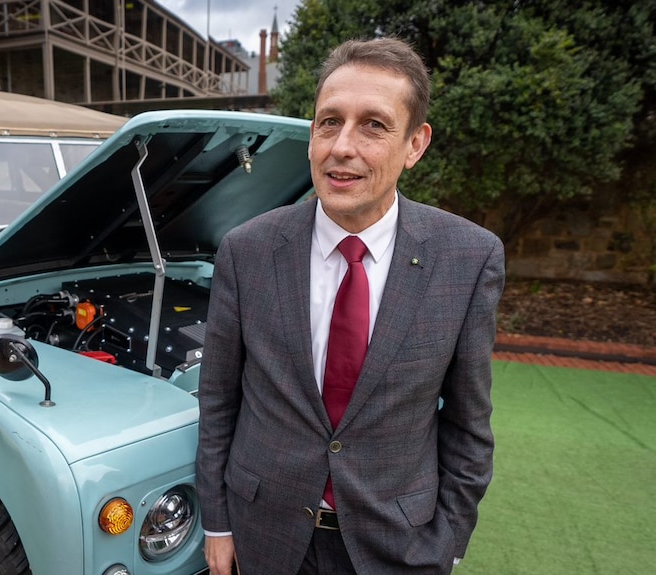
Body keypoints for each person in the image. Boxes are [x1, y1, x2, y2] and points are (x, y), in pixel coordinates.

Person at [196, 37, 505, 575]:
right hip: (262, 536)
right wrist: (218, 523)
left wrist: (448, 544)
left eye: (374, 126)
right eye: (329, 121)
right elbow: (219, 398)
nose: (342, 146)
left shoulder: (469, 258)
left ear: (415, 144)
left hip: (397, 548)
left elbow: (468, 425)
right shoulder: (246, 250)